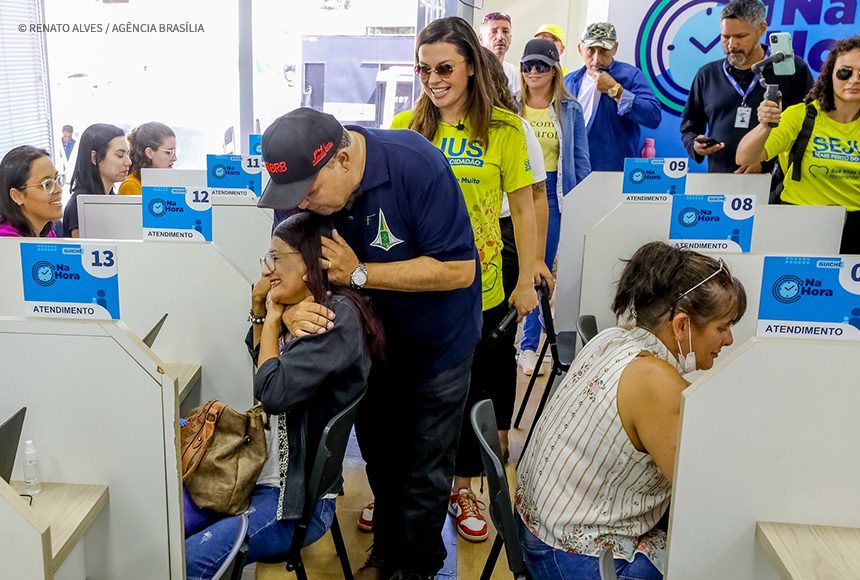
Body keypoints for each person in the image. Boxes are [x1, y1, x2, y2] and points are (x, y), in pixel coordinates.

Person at [258, 106, 481, 580]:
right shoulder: (298, 190)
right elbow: (288, 269)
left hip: (435, 347)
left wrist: (360, 274)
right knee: (381, 457)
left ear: (341, 159)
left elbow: (459, 269)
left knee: (425, 469)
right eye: (292, 196)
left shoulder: (413, 164)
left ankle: (417, 567)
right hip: (364, 351)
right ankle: (387, 550)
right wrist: (289, 310)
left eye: (309, 192)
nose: (301, 204)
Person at [391, 15, 540, 543]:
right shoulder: (406, 125)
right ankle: (401, 489)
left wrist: (527, 280)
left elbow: (524, 208)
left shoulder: (505, 129)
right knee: (412, 393)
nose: (433, 79)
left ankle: (464, 488)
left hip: (482, 289)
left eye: (445, 68)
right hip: (419, 288)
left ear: (472, 67)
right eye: (424, 68)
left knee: (475, 392)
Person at [517, 241, 747, 579]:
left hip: (539, 530)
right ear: (682, 326)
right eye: (722, 327)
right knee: (712, 561)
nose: (728, 341)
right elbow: (702, 497)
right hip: (569, 556)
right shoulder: (657, 383)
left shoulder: (613, 338)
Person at [184, 212, 383, 579]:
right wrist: (261, 309)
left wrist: (274, 316)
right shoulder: (310, 307)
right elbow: (262, 365)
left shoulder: (333, 319)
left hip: (293, 501)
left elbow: (271, 392)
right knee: (167, 524)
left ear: (310, 262)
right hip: (261, 475)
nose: (267, 270)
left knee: (187, 560)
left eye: (276, 258)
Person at [736, 35, 860, 254]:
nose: (854, 80)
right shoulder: (800, 116)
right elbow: (745, 157)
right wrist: (765, 126)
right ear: (830, 73)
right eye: (845, 72)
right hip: (800, 224)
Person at [516, 38, 591, 376]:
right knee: (512, 265)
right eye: (527, 65)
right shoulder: (511, 105)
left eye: (541, 66)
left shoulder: (569, 108)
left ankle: (528, 345)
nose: (533, 72)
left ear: (554, 70)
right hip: (515, 194)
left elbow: (580, 160)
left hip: (552, 194)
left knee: (540, 270)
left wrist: (581, 204)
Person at [680, 0, 813, 174]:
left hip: (774, 181)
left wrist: (764, 160)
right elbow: (689, 127)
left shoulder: (793, 70)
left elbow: (809, 128)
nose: (731, 45)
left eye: (741, 36)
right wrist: (695, 144)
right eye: (725, 37)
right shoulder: (707, 74)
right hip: (719, 179)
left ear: (761, 29)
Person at [565, 22, 661, 171]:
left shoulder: (631, 76)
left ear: (615, 48)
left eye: (604, 50)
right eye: (590, 50)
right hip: (573, 170)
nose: (597, 59)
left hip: (612, 172)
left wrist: (616, 91)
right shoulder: (567, 82)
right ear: (580, 49)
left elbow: (653, 116)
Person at [63, 123, 129, 237]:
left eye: (128, 154)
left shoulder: (109, 198)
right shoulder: (81, 205)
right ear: (94, 157)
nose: (128, 162)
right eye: (120, 155)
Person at [0, 145, 63, 237]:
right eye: (47, 184)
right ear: (17, 196)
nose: (59, 189)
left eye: (57, 179)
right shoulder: (7, 240)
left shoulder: (48, 232)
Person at [119, 122, 177, 195]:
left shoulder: (165, 182)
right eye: (169, 152)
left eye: (174, 152)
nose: (175, 158)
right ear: (149, 153)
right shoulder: (131, 185)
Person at [478, 11, 520, 94]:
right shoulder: (473, 69)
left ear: (510, 38)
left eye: (505, 31)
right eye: (494, 32)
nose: (500, 37)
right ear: (481, 39)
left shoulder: (512, 71)